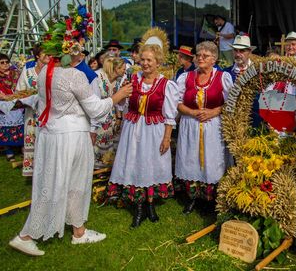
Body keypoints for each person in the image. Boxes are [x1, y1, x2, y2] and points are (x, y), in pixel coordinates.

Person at [9, 52, 134, 257]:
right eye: (79, 50)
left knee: (65, 182)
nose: (83, 54)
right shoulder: (74, 76)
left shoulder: (45, 73)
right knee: (61, 184)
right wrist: (117, 97)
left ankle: (78, 231)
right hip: (72, 135)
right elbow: (95, 109)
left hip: (51, 133)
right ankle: (26, 236)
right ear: (71, 53)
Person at [108, 44, 178, 227]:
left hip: (154, 131)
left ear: (158, 63)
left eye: (149, 60)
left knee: (151, 165)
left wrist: (166, 138)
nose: (145, 63)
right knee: (134, 163)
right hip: (132, 129)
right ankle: (139, 208)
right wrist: (122, 95)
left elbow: (170, 115)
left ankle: (150, 205)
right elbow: (121, 104)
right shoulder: (132, 79)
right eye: (143, 59)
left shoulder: (166, 85)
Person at [175, 41, 233, 214]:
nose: (200, 58)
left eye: (205, 56)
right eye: (198, 55)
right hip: (190, 125)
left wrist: (214, 111)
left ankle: (212, 199)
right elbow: (176, 102)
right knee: (190, 159)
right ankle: (192, 197)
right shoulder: (186, 77)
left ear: (214, 59)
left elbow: (231, 102)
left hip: (214, 126)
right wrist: (192, 112)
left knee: (213, 159)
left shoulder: (223, 77)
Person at [16, 45, 50, 176]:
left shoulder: (54, 69)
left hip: (49, 112)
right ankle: (34, 171)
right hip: (32, 113)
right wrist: (28, 96)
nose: (48, 56)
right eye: (44, 53)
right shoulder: (28, 70)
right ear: (37, 55)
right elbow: (20, 90)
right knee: (33, 137)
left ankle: (48, 171)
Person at [0, 53, 24, 161]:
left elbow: (23, 85)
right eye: (2, 62)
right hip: (1, 105)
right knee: (4, 129)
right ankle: (9, 151)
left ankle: (23, 148)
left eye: (7, 62)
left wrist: (17, 95)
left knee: (20, 127)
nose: (5, 64)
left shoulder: (16, 73)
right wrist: (4, 96)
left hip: (17, 104)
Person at [92, 57, 126, 169]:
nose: (124, 71)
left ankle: (105, 172)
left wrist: (119, 118)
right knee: (96, 146)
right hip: (98, 117)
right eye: (123, 69)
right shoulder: (98, 77)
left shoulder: (117, 81)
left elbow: (118, 103)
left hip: (111, 119)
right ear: (116, 68)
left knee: (110, 147)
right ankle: (95, 171)